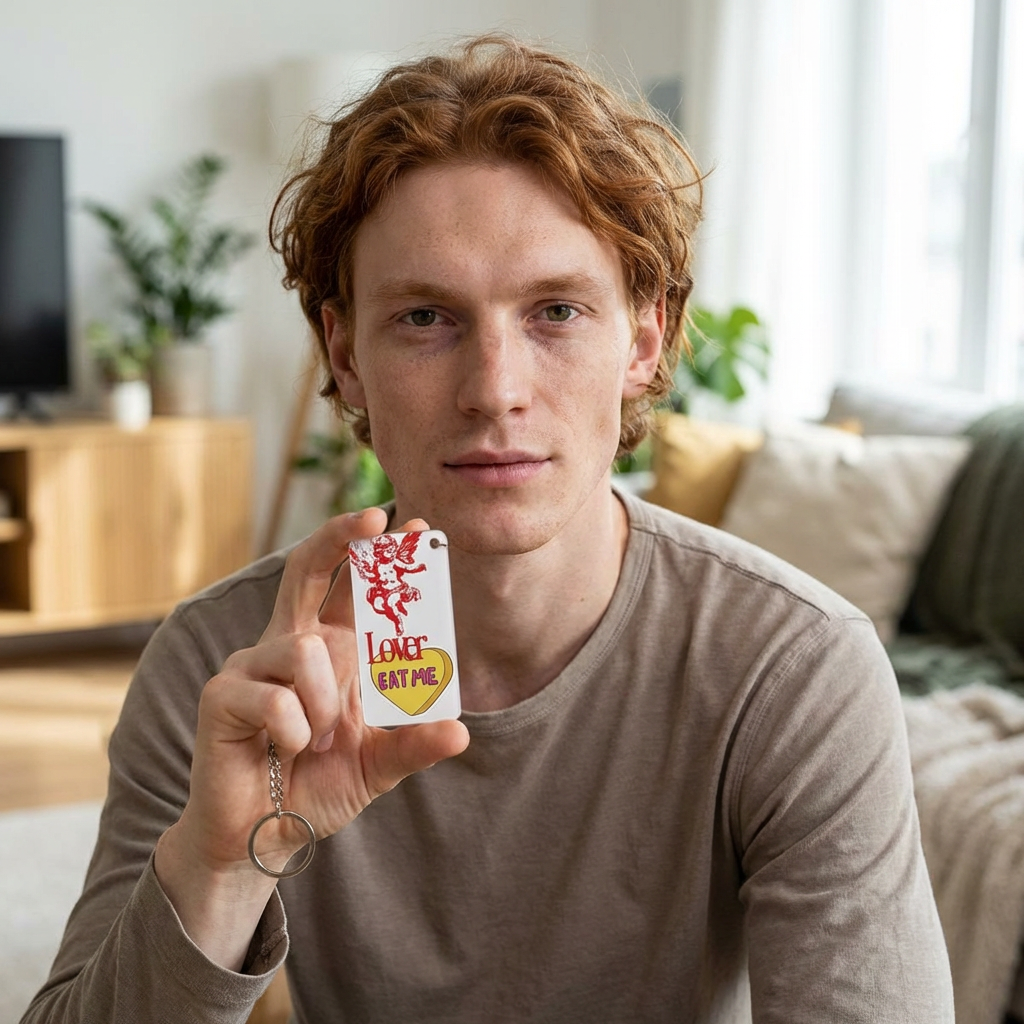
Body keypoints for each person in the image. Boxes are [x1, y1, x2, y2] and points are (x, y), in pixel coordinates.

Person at [23, 35, 954, 1024]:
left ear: (643, 341)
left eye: (556, 311)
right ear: (344, 355)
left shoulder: (794, 670)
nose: (494, 390)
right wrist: (218, 866)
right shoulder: (229, 671)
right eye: (426, 319)